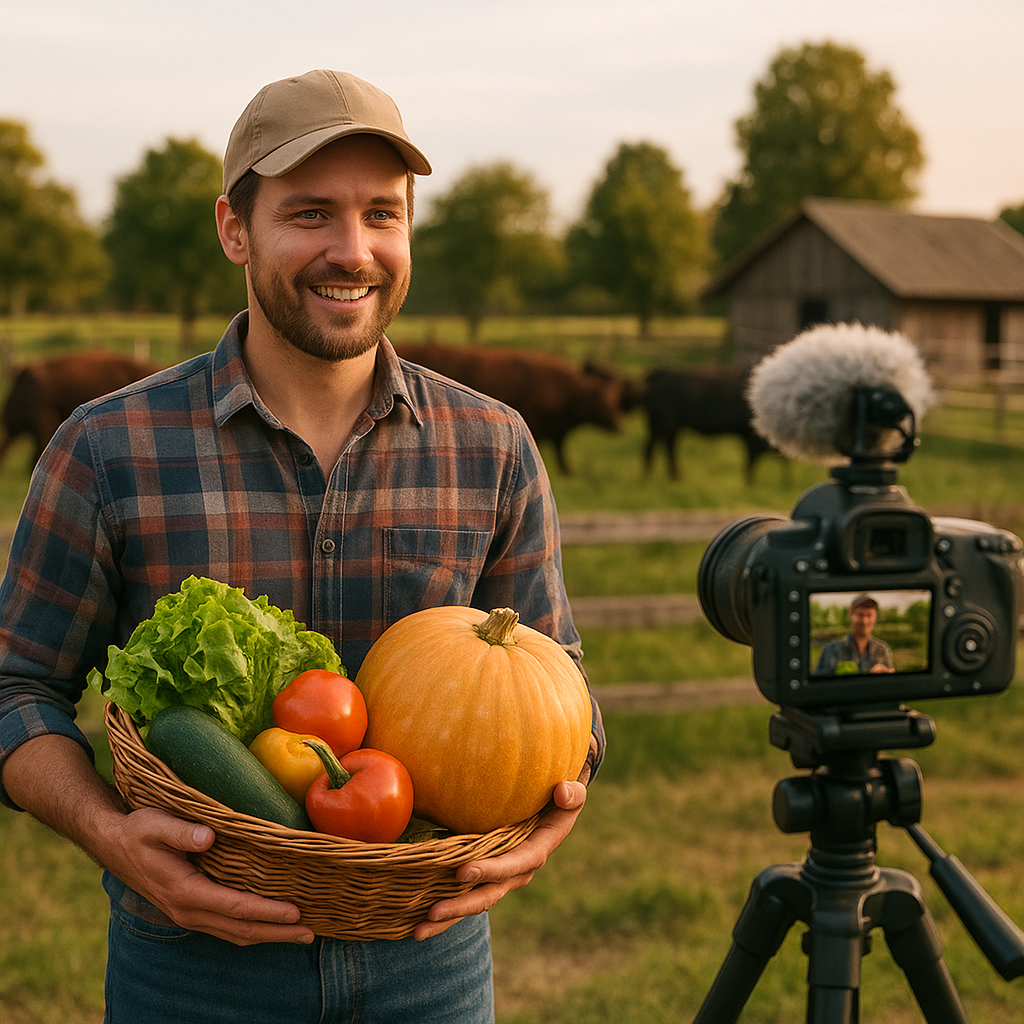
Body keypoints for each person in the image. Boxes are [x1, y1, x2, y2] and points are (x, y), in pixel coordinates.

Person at [0, 70, 604, 1023]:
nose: (353, 250)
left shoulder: (492, 446)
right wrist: (109, 831)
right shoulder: (106, 448)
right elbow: (15, 688)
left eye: (383, 214)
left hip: (429, 965)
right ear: (235, 229)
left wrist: (554, 814)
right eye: (311, 213)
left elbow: (558, 685)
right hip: (190, 963)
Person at [814, 593, 895, 675]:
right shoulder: (831, 650)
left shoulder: (882, 650)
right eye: (860, 615)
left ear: (876, 617)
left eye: (869, 615)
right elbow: (820, 685)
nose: (864, 621)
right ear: (851, 614)